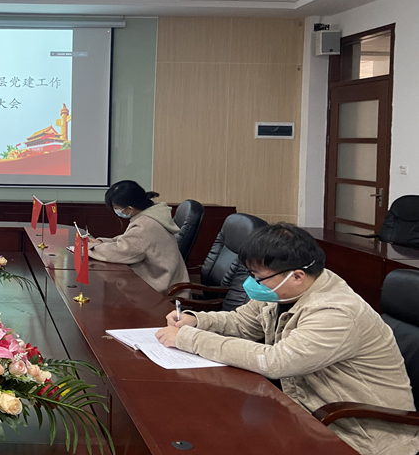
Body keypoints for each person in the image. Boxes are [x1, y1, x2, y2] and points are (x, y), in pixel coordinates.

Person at [156, 223, 419, 455]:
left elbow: (276, 362)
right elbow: (242, 323)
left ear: (297, 276)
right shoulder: (284, 291)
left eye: (258, 277)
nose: (252, 283)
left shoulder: (336, 312)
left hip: (358, 433)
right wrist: (197, 321)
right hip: (305, 409)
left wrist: (189, 339)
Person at [87, 180, 189, 293]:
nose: (115, 211)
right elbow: (129, 240)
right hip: (162, 279)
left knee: (108, 292)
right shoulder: (152, 215)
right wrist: (101, 242)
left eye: (116, 207)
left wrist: (89, 248)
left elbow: (121, 251)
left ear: (130, 208)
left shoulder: (146, 225)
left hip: (161, 290)